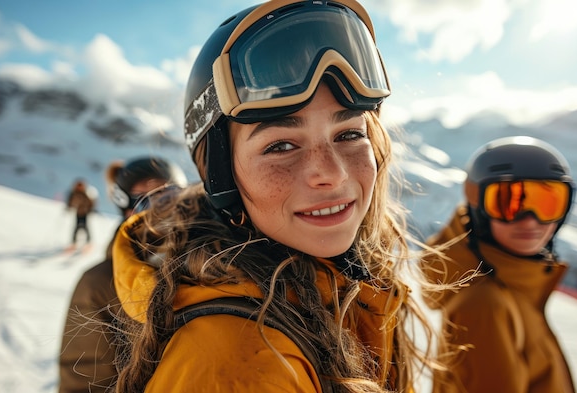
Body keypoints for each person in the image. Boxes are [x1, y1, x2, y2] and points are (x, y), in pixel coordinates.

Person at [112, 1, 447, 392]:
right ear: (223, 175)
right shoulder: (235, 364)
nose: (333, 173)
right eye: (281, 146)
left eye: (350, 134)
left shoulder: (351, 286)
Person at [422, 136, 577, 393]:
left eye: (547, 203)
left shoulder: (513, 289)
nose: (530, 221)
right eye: (507, 202)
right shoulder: (484, 304)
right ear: (477, 205)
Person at [58, 157, 187, 393]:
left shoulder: (216, 257)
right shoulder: (100, 284)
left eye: (167, 196)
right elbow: (85, 382)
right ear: (127, 209)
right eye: (144, 200)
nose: (159, 208)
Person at [66, 179, 97, 247]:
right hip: (78, 213)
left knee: (85, 227)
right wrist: (68, 206)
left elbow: (90, 202)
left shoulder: (85, 194)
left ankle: (88, 242)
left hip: (84, 213)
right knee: (76, 227)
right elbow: (70, 202)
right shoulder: (74, 193)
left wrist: (91, 209)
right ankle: (74, 242)